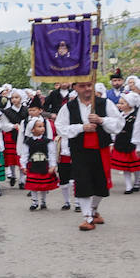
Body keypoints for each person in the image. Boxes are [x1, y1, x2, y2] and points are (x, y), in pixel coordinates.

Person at [58, 82, 124, 230]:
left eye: (89, 85)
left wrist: (101, 120)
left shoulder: (104, 103)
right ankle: (87, 217)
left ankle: (93, 210)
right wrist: (82, 127)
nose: (87, 89)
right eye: (82, 86)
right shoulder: (69, 107)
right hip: (79, 149)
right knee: (82, 181)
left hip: (101, 148)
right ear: (75, 87)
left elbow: (119, 123)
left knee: (101, 183)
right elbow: (60, 128)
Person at [18, 116, 59, 211]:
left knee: (44, 185)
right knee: (33, 185)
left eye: (43, 126)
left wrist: (53, 165)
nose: (42, 128)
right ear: (32, 129)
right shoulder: (28, 142)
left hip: (44, 165)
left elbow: (52, 153)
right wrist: (23, 166)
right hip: (33, 166)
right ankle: (34, 202)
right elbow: (24, 154)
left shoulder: (48, 142)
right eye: (39, 126)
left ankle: (43, 201)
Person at [111, 91, 140, 194]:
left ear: (129, 104)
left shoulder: (136, 116)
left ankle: (137, 182)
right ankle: (128, 186)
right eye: (119, 103)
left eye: (122, 103)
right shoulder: (120, 115)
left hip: (132, 142)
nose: (119, 105)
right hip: (121, 142)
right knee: (125, 167)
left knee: (136, 166)